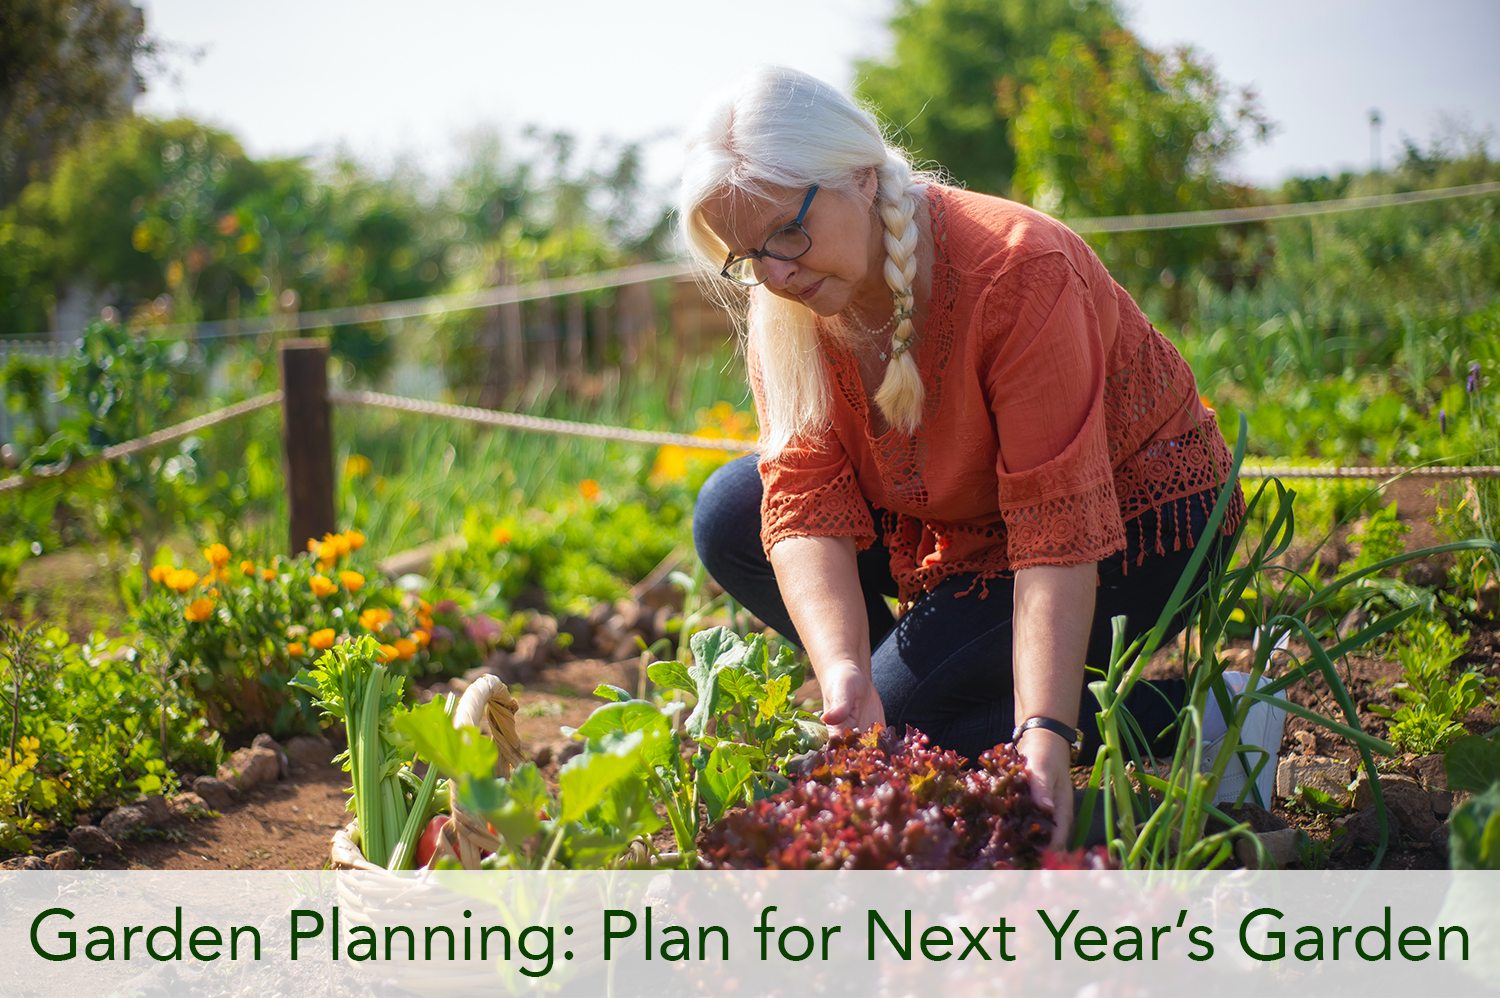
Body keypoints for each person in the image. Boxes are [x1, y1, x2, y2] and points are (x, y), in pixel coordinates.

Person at [681, 67, 1281, 848]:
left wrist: (1043, 732)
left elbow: (1055, 533)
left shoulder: (1017, 270)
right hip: (965, 525)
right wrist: (844, 674)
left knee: (915, 726)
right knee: (733, 512)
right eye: (748, 256)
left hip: (1135, 523)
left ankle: (1209, 713)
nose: (776, 274)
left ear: (861, 177)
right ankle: (923, 696)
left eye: (787, 235)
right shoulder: (786, 302)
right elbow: (804, 494)